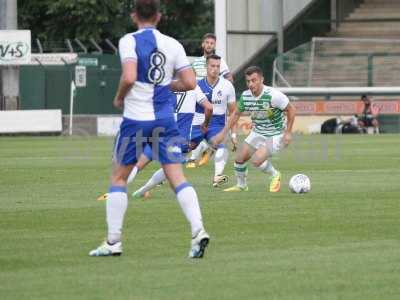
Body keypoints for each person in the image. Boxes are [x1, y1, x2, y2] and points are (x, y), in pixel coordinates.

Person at [89, 0, 210, 259]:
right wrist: (166, 86)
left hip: (135, 120)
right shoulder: (173, 44)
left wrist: (120, 96)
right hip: (165, 121)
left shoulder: (128, 41)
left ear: (134, 16)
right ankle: (198, 230)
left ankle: (113, 242)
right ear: (158, 16)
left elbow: (130, 76)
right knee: (177, 177)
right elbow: (189, 82)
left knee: (119, 177)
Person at [213, 66, 296, 193]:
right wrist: (223, 133)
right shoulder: (246, 96)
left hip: (275, 134)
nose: (250, 84)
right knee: (239, 159)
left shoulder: (273, 95)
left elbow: (291, 109)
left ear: (261, 79)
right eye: (248, 81)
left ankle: (275, 175)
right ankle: (241, 186)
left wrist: (288, 133)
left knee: (257, 160)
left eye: (254, 80)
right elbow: (235, 114)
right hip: (257, 132)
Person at [131, 89, 213, 198]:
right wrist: (205, 124)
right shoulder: (194, 87)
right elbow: (209, 107)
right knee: (173, 171)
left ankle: (116, 191)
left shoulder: (166, 83)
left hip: (160, 132)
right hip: (179, 139)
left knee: (138, 165)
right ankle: (142, 191)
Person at [189, 54, 237, 187]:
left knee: (222, 147)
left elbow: (233, 112)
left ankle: (217, 177)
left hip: (217, 123)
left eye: (217, 66)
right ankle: (162, 178)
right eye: (212, 66)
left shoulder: (227, 86)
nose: (215, 69)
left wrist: (233, 134)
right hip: (198, 122)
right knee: (182, 149)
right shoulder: (196, 86)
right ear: (206, 67)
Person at [187, 33, 234, 168]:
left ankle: (203, 152)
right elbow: (191, 80)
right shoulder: (196, 62)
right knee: (196, 128)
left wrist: (220, 87)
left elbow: (229, 78)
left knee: (212, 130)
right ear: (203, 44)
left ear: (214, 45)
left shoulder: (220, 61)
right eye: (207, 42)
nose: (209, 45)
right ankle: (201, 152)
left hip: (215, 101)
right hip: (199, 100)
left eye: (212, 43)